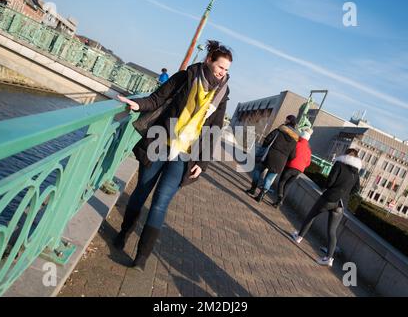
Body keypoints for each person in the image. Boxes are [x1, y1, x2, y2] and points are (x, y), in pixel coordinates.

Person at [115, 40, 233, 271]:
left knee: (160, 205)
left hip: (184, 155)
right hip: (159, 143)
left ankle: (141, 257)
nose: (222, 73)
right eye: (220, 67)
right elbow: (156, 99)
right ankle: (123, 233)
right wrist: (137, 105)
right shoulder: (185, 77)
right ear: (209, 60)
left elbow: (214, 129)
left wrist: (203, 162)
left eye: (226, 70)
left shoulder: (221, 94)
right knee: (141, 192)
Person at [291, 148, 362, 267]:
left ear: (345, 155)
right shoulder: (356, 173)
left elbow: (330, 182)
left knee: (311, 216)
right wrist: (345, 193)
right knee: (332, 231)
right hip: (341, 203)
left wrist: (331, 188)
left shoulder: (339, 164)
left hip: (329, 198)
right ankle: (329, 258)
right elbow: (356, 189)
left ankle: (299, 237)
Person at [246, 115, 299, 203]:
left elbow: (267, 139)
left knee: (258, 170)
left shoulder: (279, 130)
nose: (285, 121)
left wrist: (264, 148)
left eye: (286, 119)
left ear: (289, 121)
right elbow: (293, 155)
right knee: (269, 179)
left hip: (269, 155)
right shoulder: (295, 140)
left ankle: (253, 189)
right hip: (280, 162)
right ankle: (260, 196)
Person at [273, 129, 313, 208]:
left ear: (301, 136)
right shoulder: (309, 150)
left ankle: (280, 196)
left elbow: (290, 154)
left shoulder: (296, 144)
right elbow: (308, 163)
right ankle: (279, 202)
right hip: (299, 170)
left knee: (282, 182)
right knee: (288, 185)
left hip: (290, 166)